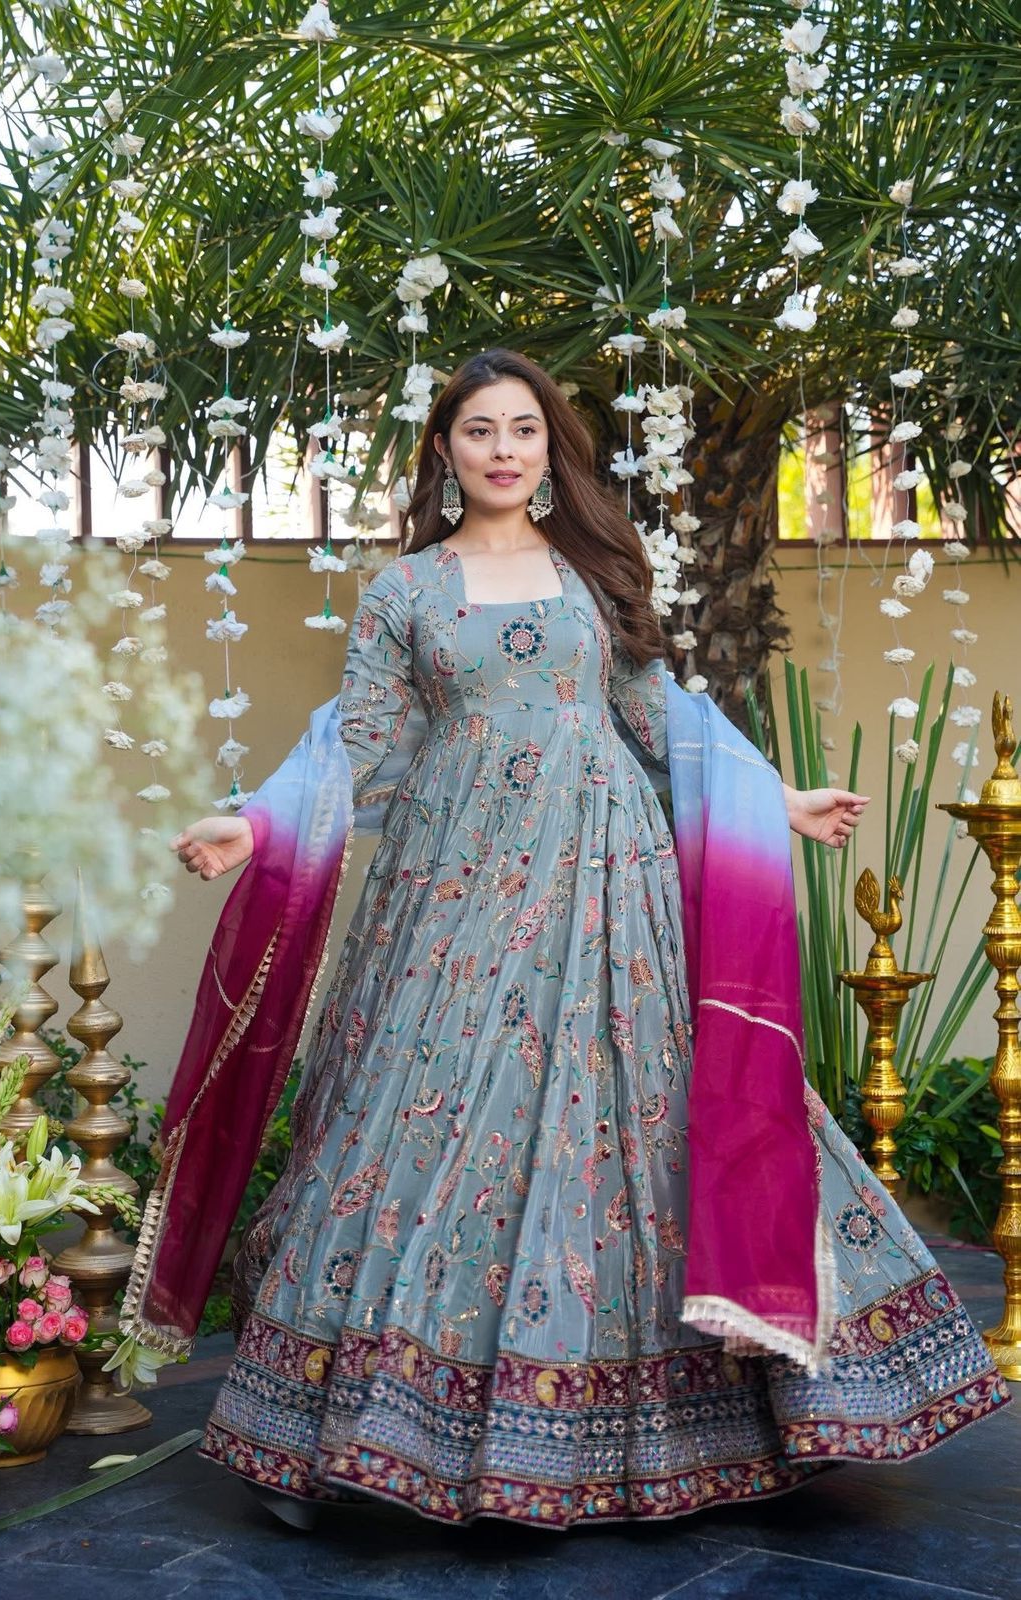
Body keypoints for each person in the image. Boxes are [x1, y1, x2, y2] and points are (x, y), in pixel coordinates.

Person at [123, 350, 1008, 1530]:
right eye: (479, 428)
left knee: (625, 1123)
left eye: (524, 430)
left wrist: (776, 801)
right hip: (449, 892)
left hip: (607, 887)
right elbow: (361, 742)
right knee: (414, 1122)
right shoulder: (404, 593)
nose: (502, 448)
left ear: (551, 450)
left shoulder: (595, 569)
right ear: (443, 448)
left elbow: (655, 716)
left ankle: (689, 1428)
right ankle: (320, 1436)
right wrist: (253, 823)